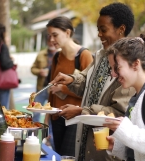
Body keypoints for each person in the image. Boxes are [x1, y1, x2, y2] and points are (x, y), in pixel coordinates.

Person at [50, 3, 135, 161]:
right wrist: (71, 79)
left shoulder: (129, 64)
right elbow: (85, 80)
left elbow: (119, 113)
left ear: (121, 29)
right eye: (98, 30)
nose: (99, 34)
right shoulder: (102, 55)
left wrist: (82, 111)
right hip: (85, 141)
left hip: (107, 147)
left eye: (103, 29)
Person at [46, 16, 94, 156]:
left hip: (76, 116)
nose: (51, 40)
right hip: (57, 116)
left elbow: (91, 90)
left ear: (67, 33)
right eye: (50, 36)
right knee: (58, 154)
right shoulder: (57, 57)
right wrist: (47, 115)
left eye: (55, 35)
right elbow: (51, 88)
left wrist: (63, 88)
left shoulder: (84, 55)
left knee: (69, 156)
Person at [31, 38, 57, 150]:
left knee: (51, 115)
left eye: (53, 39)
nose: (51, 41)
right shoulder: (41, 54)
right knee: (36, 113)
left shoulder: (60, 54)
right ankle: (34, 138)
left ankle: (50, 140)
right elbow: (32, 68)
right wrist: (39, 72)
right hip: (42, 88)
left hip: (54, 90)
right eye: (49, 39)